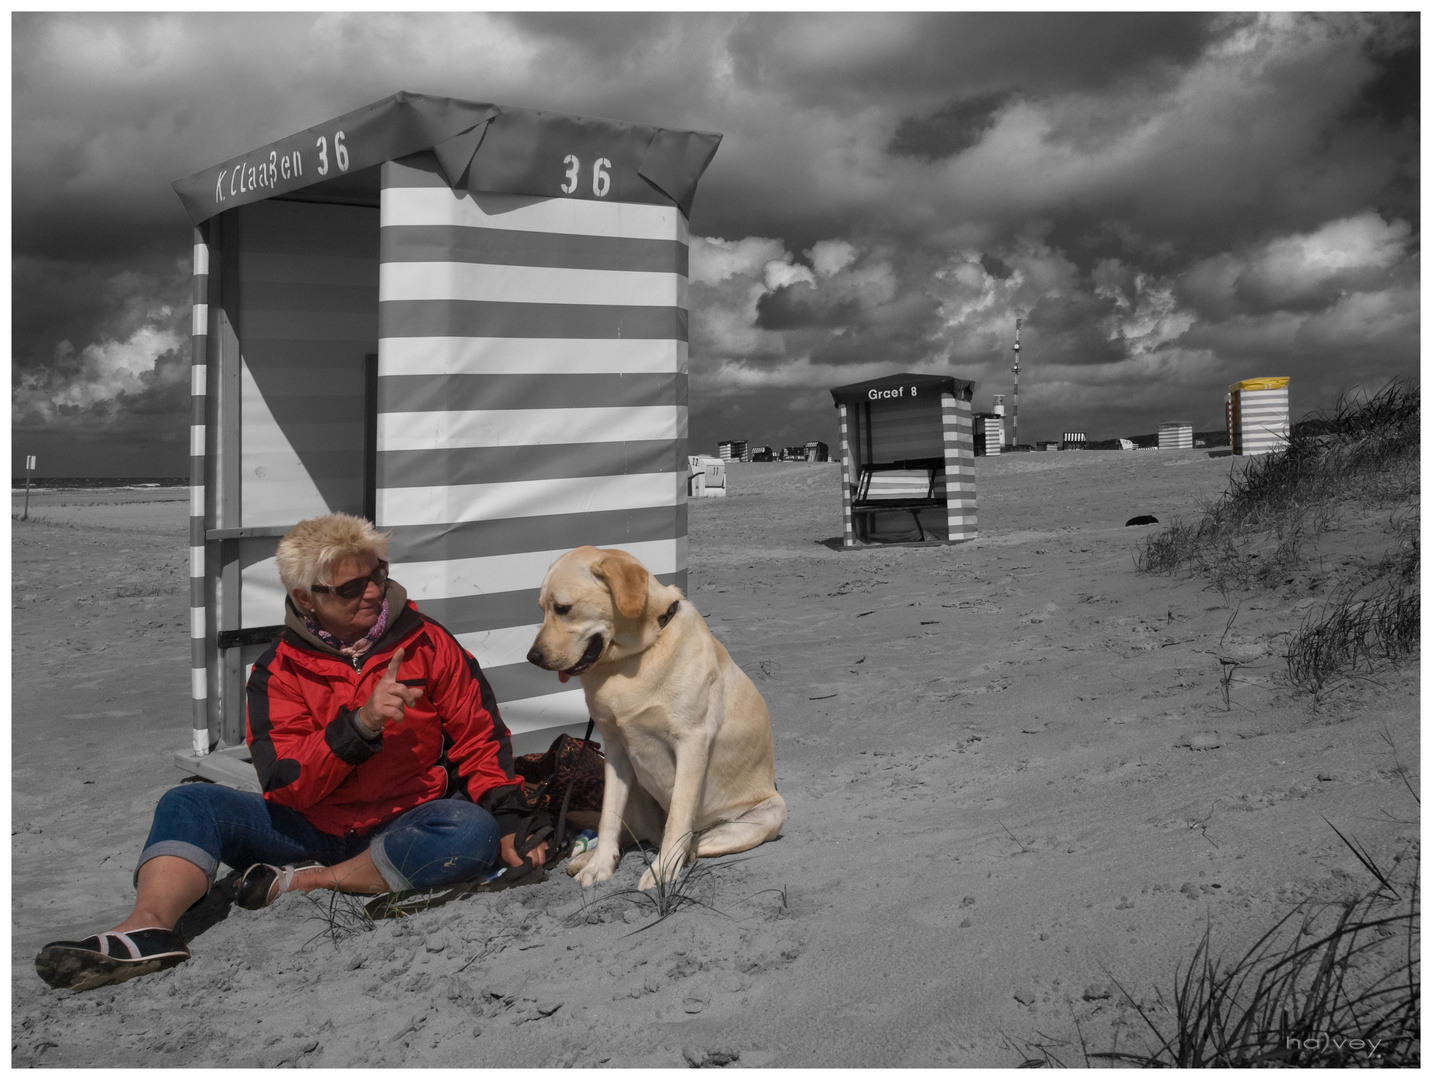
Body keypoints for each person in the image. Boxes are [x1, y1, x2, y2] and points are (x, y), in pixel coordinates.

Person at [36, 513, 548, 992]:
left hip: (405, 820)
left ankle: (309, 882)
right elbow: (287, 784)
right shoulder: (275, 671)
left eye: (379, 574)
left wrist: (509, 817)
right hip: (306, 825)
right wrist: (361, 725)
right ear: (306, 599)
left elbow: (480, 739)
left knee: (470, 830)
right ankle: (147, 931)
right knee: (187, 802)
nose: (374, 592)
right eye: (351, 587)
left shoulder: (430, 643)